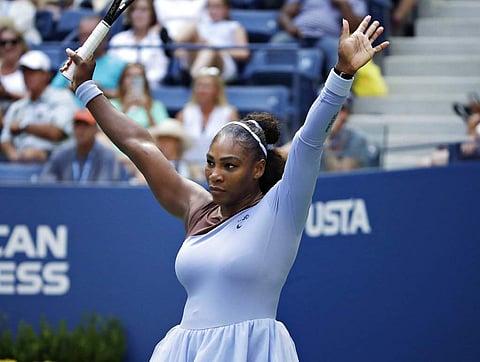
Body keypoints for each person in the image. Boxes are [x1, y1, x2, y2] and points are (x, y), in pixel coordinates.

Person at [65, 14, 388, 361]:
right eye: (210, 162)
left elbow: (309, 140)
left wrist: (341, 74)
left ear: (257, 169)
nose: (215, 174)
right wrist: (87, 88)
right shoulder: (196, 207)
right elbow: (141, 145)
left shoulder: (281, 208)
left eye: (230, 166)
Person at [0, 49, 77, 163]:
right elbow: (5, 139)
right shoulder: (18, 106)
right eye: (24, 72)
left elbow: (57, 133)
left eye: (33, 72)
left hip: (56, 162)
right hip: (22, 160)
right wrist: (14, 156)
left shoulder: (62, 98)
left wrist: (23, 126)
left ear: (45, 74)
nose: (28, 76)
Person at [271, 0, 368, 78]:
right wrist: (289, 26)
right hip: (299, 34)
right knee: (278, 42)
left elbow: (356, 26)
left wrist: (343, 4)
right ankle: (273, 86)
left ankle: (341, 95)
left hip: (328, 37)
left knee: (341, 52)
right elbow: (284, 14)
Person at [175, 66, 239, 182]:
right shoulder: (185, 113)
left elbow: (234, 147)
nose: (202, 90)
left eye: (207, 86)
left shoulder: (228, 113)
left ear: (217, 90)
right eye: (199, 86)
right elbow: (176, 146)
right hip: (187, 169)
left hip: (218, 169)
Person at [39, 108, 130, 182]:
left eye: (86, 125)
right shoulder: (61, 154)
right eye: (77, 125)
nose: (81, 130)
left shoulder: (107, 155)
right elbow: (47, 181)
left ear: (95, 129)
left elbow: (104, 188)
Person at [50, 15, 127, 99]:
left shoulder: (120, 65)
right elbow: (53, 93)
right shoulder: (68, 64)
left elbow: (127, 96)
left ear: (106, 36)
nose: (88, 39)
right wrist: (72, 88)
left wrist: (96, 90)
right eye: (84, 35)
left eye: (92, 35)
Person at [174, 0, 250, 83]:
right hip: (196, 58)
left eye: (217, 7)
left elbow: (244, 53)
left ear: (226, 9)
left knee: (209, 49)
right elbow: (178, 53)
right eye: (209, 7)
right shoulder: (200, 25)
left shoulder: (234, 26)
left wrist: (217, 48)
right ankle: (171, 41)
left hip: (222, 65)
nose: (213, 10)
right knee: (191, 26)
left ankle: (194, 81)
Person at [107, 0, 170, 89]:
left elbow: (159, 72)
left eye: (144, 10)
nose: (139, 14)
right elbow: (111, 68)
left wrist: (139, 84)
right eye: (135, 10)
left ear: (152, 15)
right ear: (130, 14)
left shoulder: (158, 40)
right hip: (119, 90)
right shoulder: (118, 40)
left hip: (149, 91)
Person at [320, 93, 378, 171]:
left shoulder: (357, 139)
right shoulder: (310, 137)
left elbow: (341, 173)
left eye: (341, 110)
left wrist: (327, 137)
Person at [110, 63, 170, 128]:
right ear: (122, 80)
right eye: (129, 76)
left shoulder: (156, 106)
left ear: (144, 82)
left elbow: (163, 133)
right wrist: (124, 109)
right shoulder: (111, 104)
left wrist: (148, 111)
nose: (133, 80)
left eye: (138, 76)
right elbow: (105, 131)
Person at [0, 24, 28, 114]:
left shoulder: (30, 67)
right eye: (3, 43)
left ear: (21, 45)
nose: (8, 46)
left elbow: (37, 97)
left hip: (21, 116)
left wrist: (7, 94)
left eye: (13, 42)